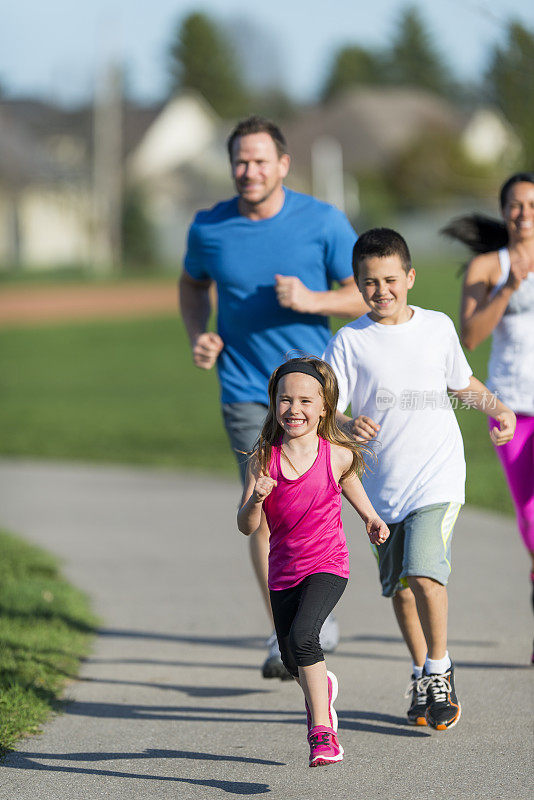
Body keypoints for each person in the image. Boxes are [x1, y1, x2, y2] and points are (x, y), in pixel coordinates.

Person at [179, 115, 368, 679]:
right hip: (244, 386)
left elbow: (367, 293)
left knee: (318, 498)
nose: (249, 171)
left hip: (311, 393)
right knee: (261, 505)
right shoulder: (208, 228)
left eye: (261, 161)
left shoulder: (324, 221)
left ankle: (315, 604)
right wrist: (199, 334)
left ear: (283, 165)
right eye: (240, 160)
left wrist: (312, 300)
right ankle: (283, 630)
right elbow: (192, 285)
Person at [323, 228, 516, 730]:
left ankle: (439, 667)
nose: (381, 290)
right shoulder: (349, 341)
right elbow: (327, 410)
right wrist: (346, 424)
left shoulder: (436, 328)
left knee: (425, 573)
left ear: (409, 277)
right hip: (379, 490)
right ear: (359, 286)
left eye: (390, 279)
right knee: (401, 590)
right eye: (369, 282)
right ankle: (420, 672)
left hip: (437, 477)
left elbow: (460, 382)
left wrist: (496, 407)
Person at [237, 357, 389, 767]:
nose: (294, 409)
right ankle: (323, 686)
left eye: (306, 400)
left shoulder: (335, 454)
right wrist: (257, 498)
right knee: (291, 657)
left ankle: (322, 733)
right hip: (283, 571)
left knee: (305, 635)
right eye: (285, 400)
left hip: (327, 564)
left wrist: (371, 518)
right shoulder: (263, 459)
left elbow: (351, 485)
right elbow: (246, 526)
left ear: (324, 408)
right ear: (274, 405)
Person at [442, 172, 534, 662]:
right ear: (503, 212)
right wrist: (508, 288)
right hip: (512, 408)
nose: (524, 214)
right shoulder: (486, 266)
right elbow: (471, 338)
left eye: (532, 205)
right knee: (530, 520)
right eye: (515, 206)